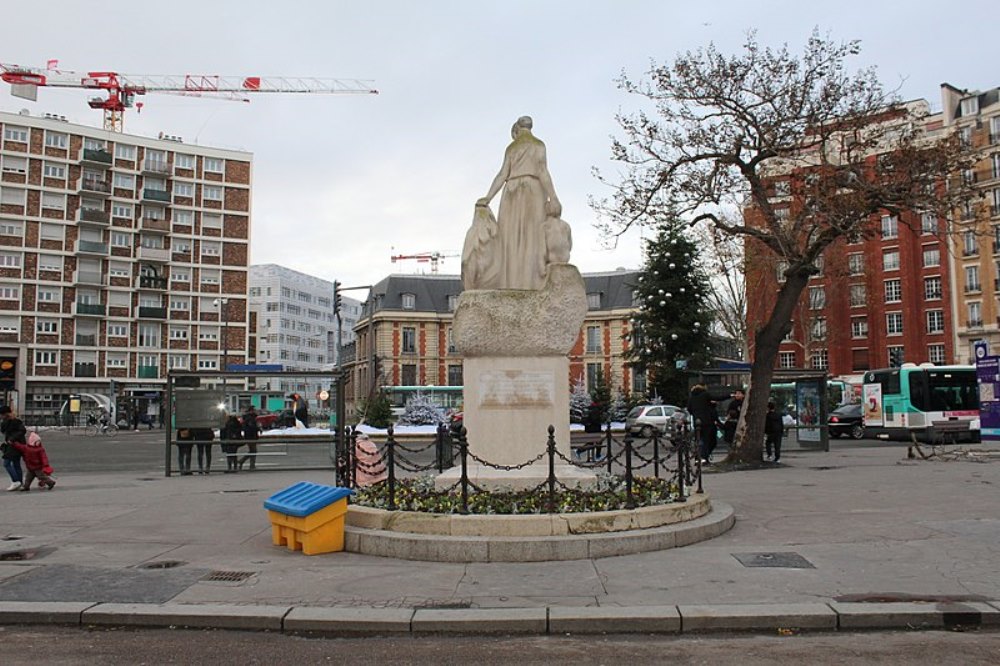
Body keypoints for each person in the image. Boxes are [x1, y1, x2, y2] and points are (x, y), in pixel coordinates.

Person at [478, 115, 562, 290]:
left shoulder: (512, 147)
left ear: (516, 131)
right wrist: (553, 197)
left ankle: (510, 285)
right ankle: (532, 284)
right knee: (533, 237)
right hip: (533, 190)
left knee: (509, 239)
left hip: (511, 191)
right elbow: (543, 172)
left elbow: (502, 175)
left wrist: (488, 197)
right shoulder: (538, 145)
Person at [686, 384, 718, 464]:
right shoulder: (705, 395)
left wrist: (695, 414)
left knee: (698, 440)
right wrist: (729, 395)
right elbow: (717, 399)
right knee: (706, 440)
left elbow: (689, 409)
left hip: (697, 421)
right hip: (707, 421)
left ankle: (697, 458)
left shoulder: (692, 397)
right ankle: (704, 458)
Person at [1, 405, 26, 491]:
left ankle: (15, 481)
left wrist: (12, 439)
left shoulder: (15, 421)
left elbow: (22, 430)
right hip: (15, 444)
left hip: (14, 444)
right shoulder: (6, 421)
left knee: (6, 463)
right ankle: (20, 482)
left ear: (5, 414)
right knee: (16, 464)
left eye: (1, 414)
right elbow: (3, 431)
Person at [239, 405, 260, 471]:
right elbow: (251, 428)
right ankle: (250, 465)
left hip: (250, 436)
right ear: (251, 411)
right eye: (254, 410)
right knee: (253, 451)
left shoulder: (249, 418)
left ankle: (246, 462)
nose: (255, 411)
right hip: (251, 437)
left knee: (252, 451)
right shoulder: (250, 418)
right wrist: (257, 428)